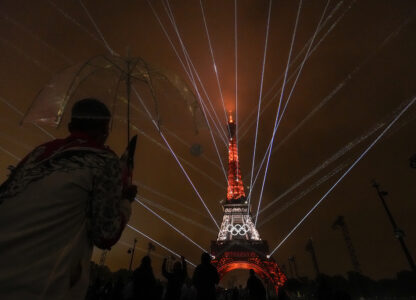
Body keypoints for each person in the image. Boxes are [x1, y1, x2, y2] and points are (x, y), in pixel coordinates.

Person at [0, 98, 135, 299]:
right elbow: (106, 234)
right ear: (105, 130)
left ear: (71, 126)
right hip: (40, 286)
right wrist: (124, 202)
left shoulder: (39, 153)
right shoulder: (106, 162)